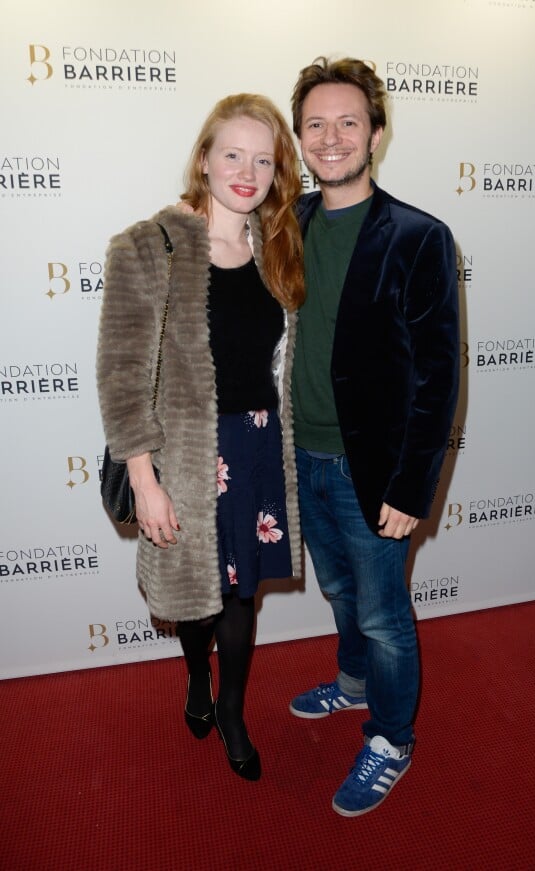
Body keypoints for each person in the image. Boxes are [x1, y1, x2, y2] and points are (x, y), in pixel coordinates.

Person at [97, 93, 304, 782]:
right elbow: (122, 376)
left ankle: (233, 709)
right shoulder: (148, 246)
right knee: (197, 593)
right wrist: (146, 481)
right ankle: (195, 680)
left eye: (264, 159)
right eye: (233, 153)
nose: (247, 171)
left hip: (256, 449)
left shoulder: (276, 246)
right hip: (185, 455)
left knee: (242, 597)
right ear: (204, 159)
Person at [288, 57, 459, 816]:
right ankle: (352, 684)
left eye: (348, 122)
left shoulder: (419, 236)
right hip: (301, 455)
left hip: (375, 471)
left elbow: (439, 376)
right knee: (337, 590)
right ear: (298, 138)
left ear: (376, 134)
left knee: (385, 613)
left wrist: (409, 486)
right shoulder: (284, 222)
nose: (331, 138)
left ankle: (391, 737)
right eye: (315, 124)